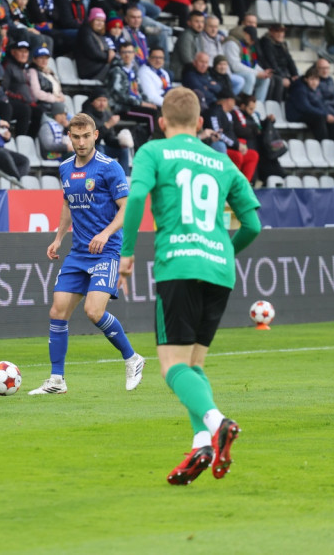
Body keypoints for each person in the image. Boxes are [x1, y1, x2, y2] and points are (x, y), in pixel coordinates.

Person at [118, 87, 261, 485]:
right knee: (194, 365)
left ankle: (216, 423)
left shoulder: (153, 151)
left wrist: (126, 253)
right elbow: (253, 224)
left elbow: (136, 199)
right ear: (200, 124)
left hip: (178, 266)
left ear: (162, 123)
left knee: (172, 367)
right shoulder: (221, 162)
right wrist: (226, 252)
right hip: (219, 268)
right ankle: (203, 443)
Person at [26, 111, 145, 396]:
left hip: (106, 251)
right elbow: (68, 205)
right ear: (69, 137)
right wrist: (58, 238)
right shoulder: (66, 167)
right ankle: (57, 380)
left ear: (95, 136)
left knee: (94, 311)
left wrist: (105, 234)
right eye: (75, 137)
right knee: (57, 312)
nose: (81, 142)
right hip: (78, 252)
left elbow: (126, 208)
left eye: (85, 136)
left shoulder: (109, 167)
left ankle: (133, 358)